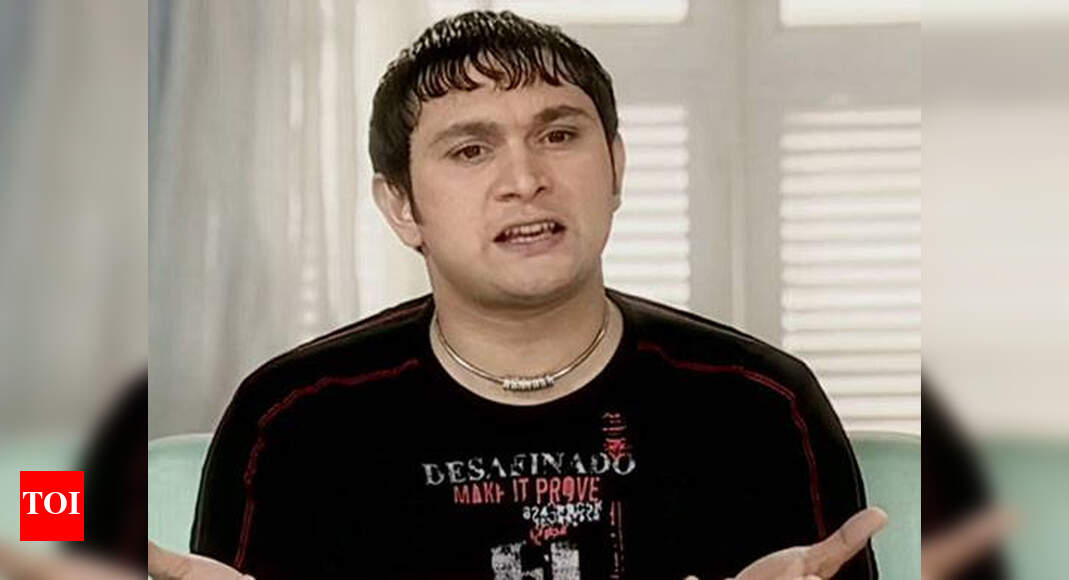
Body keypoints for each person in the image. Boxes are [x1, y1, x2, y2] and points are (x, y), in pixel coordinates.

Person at [171, 10, 883, 579]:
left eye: (559, 134)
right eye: (470, 150)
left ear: (615, 168)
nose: (524, 180)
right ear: (401, 206)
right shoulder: (292, 421)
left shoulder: (761, 405)